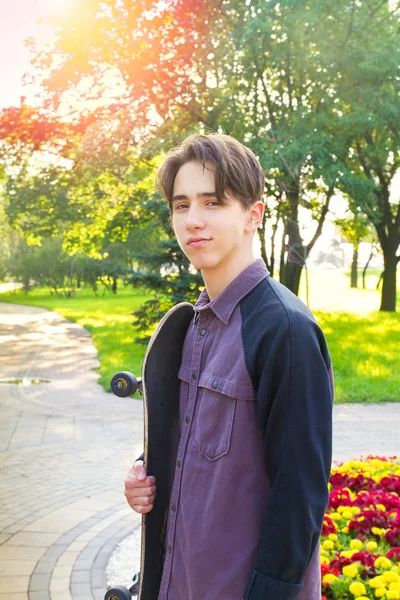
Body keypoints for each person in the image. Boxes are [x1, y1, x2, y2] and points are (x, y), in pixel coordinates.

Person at [124, 133, 334, 600]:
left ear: (252, 216)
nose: (193, 220)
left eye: (213, 202)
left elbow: (299, 497)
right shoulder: (191, 324)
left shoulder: (284, 329)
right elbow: (203, 445)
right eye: (181, 206)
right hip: (180, 582)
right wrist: (145, 470)